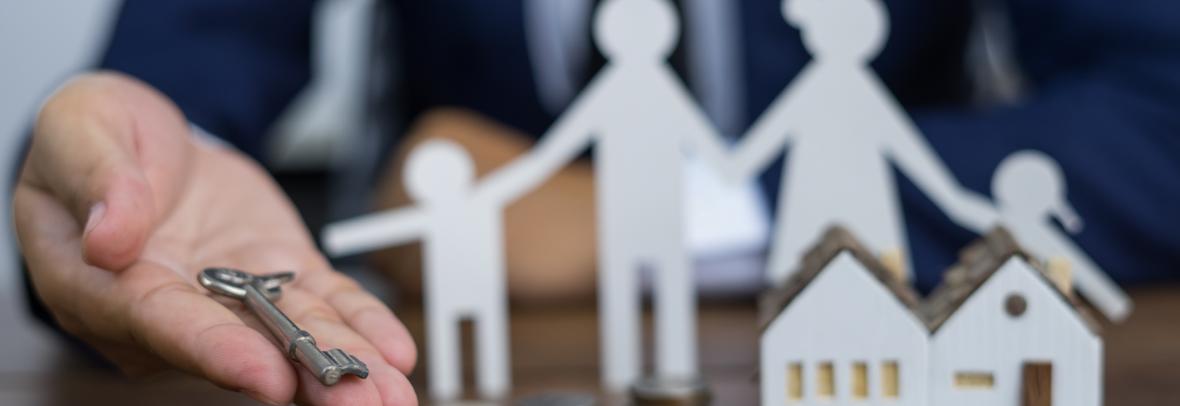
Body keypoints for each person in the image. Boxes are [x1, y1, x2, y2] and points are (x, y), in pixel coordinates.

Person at [14, 0, 1180, 405]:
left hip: (850, 316)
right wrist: (141, 177)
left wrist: (664, 212)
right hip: (436, 331)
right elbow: (175, 82)